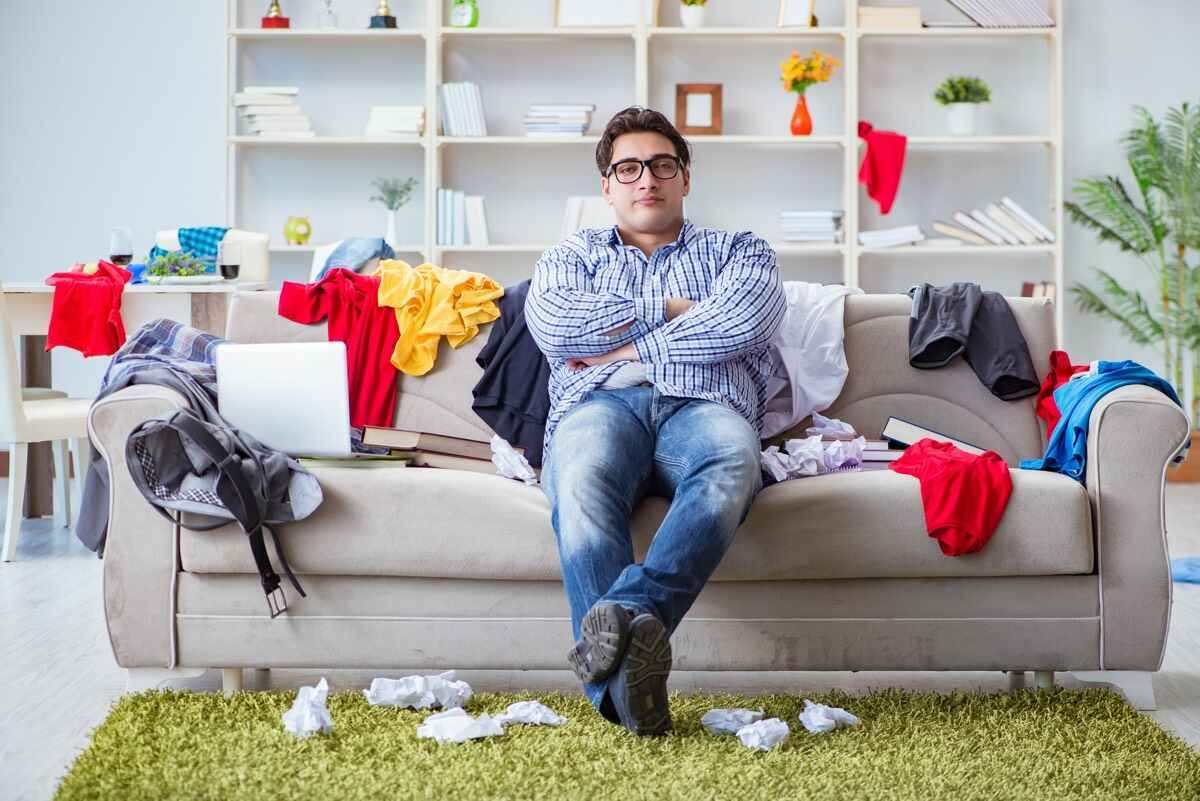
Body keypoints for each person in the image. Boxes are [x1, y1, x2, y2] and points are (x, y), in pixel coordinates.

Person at [524, 106, 786, 735]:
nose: (648, 179)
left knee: (731, 460)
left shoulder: (738, 250)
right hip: (600, 404)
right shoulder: (571, 255)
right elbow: (557, 326)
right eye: (630, 168)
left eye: (663, 165)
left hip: (705, 407)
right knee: (580, 475)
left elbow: (742, 323)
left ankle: (619, 621)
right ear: (607, 186)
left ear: (685, 178)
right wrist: (670, 308)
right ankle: (624, 692)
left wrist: (625, 345)